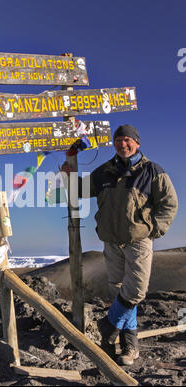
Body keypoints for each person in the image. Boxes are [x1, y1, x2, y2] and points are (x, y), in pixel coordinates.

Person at [61, 124, 178, 366]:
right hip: (111, 242)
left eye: (127, 140)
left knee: (135, 291)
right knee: (119, 292)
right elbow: (79, 192)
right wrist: (67, 176)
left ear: (137, 142)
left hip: (138, 241)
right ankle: (129, 346)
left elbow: (169, 203)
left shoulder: (152, 171)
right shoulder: (104, 172)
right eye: (118, 141)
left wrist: (152, 230)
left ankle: (108, 326)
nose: (122, 145)